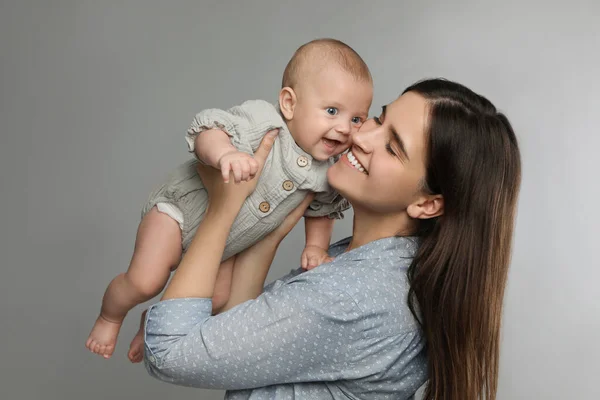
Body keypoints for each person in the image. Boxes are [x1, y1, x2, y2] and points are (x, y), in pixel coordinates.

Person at [142, 78, 522, 400]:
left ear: (427, 203)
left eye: (391, 147)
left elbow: (168, 352)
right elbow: (236, 335)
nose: (360, 135)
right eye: (379, 118)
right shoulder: (381, 263)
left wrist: (222, 210)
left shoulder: (354, 294)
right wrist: (270, 235)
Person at [85, 38, 373, 361]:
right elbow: (209, 128)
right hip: (179, 213)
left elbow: (320, 210)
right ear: (290, 104)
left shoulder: (327, 172)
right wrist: (225, 154)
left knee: (214, 301)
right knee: (144, 280)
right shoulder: (265, 122)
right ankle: (110, 315)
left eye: (357, 119)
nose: (344, 128)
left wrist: (316, 248)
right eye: (332, 111)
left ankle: (151, 322)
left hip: (224, 246)